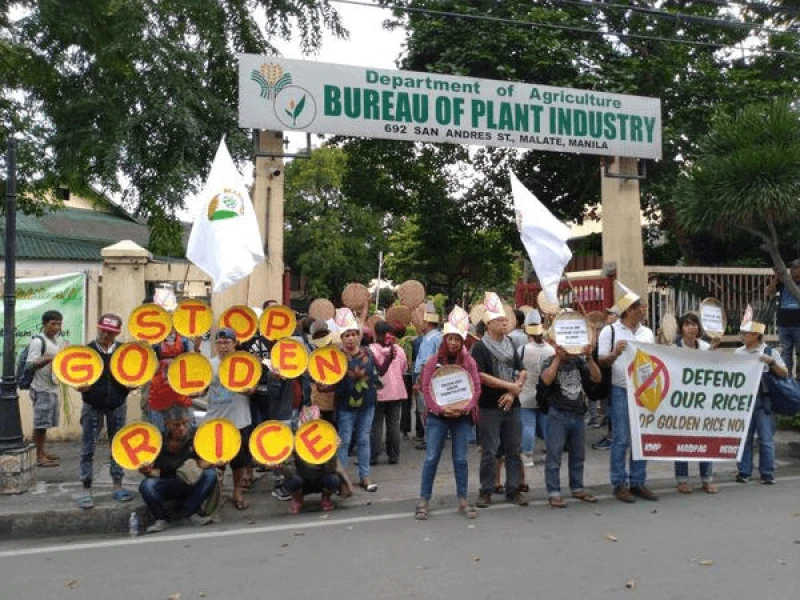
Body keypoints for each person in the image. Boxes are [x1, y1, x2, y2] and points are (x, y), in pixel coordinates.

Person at [415, 305, 480, 520]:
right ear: (445, 339)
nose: (453, 343)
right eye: (449, 338)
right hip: (437, 418)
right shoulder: (433, 361)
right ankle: (424, 499)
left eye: (457, 339)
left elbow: (475, 388)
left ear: (462, 341)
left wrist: (465, 408)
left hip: (462, 418)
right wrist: (441, 409)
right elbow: (426, 388)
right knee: (431, 457)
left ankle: (463, 499)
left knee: (461, 459)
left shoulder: (469, 362)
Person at [598, 283, 658, 503]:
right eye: (640, 306)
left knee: (641, 438)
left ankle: (638, 482)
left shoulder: (647, 333)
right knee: (621, 438)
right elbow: (601, 360)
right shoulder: (610, 330)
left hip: (644, 391)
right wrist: (615, 353)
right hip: (621, 389)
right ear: (629, 310)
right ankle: (619, 483)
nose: (644, 309)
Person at [471, 292, 528, 508]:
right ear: (488, 324)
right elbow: (481, 376)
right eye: (499, 320)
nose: (504, 322)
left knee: (514, 449)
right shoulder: (480, 347)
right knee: (490, 451)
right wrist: (508, 386)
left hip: (513, 404)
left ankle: (513, 489)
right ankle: (486, 490)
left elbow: (522, 371)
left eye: (505, 319)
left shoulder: (511, 343)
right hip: (489, 406)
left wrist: (513, 392)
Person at [76, 313, 134, 510]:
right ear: (98, 328)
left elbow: (134, 373)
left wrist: (131, 385)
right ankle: (86, 489)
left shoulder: (123, 351)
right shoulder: (87, 351)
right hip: (92, 404)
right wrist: (80, 386)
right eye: (104, 332)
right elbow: (76, 375)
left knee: (117, 447)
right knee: (87, 448)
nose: (107, 336)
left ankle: (117, 485)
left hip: (117, 404)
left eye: (112, 333)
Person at [539, 339, 601, 507]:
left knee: (578, 455)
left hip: (578, 412)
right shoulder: (548, 360)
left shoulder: (579, 361)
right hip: (557, 413)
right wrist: (558, 358)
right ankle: (554, 492)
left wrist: (589, 357)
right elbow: (546, 379)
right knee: (554, 455)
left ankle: (577, 487)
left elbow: (596, 377)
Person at [138, 405, 219, 533]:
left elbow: (209, 460)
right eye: (176, 425)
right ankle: (161, 519)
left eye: (184, 424)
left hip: (191, 483)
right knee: (147, 485)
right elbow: (152, 471)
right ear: (167, 424)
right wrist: (146, 470)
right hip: (168, 484)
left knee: (210, 474)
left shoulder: (197, 437)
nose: (181, 428)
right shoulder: (157, 441)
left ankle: (191, 513)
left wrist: (208, 463)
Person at [334, 308, 384, 492]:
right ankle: (341, 478)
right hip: (345, 405)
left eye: (353, 334)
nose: (350, 338)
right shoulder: (336, 358)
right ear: (341, 337)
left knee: (364, 439)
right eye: (346, 335)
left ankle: (365, 475)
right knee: (344, 440)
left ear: (358, 336)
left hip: (367, 403)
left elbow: (379, 372)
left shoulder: (368, 353)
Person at [736, 315, 787, 485]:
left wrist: (771, 363)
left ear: (757, 335)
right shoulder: (739, 353)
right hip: (745, 400)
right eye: (744, 333)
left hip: (764, 400)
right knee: (745, 438)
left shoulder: (770, 352)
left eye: (748, 333)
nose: (744, 336)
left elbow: (785, 373)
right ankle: (744, 471)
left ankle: (767, 472)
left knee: (765, 439)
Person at [206, 328, 253, 510]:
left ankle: (237, 491)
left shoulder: (245, 364)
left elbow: (253, 387)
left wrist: (249, 389)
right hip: (215, 419)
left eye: (227, 343)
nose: (223, 346)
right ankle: (216, 492)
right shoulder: (209, 365)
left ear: (235, 343)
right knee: (216, 459)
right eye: (219, 343)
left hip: (239, 418)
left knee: (239, 461)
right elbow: (202, 389)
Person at [673, 312, 719, 494]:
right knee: (682, 441)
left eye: (694, 324)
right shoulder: (674, 348)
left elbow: (715, 371)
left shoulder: (706, 347)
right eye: (687, 324)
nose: (691, 328)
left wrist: (714, 354)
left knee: (705, 439)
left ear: (699, 328)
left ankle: (707, 479)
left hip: (703, 402)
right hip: (681, 402)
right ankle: (682, 479)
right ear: (681, 328)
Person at [25, 310, 67, 467]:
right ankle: (37, 456)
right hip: (41, 388)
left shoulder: (55, 341)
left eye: (59, 324)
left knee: (46, 424)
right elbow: (30, 365)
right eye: (53, 324)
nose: (56, 327)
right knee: (40, 424)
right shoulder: (38, 341)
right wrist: (49, 358)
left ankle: (41, 450)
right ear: (44, 324)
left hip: (52, 388)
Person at [284, 406, 341, 514]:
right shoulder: (294, 441)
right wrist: (281, 466)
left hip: (321, 478)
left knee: (333, 479)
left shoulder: (326, 438)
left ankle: (326, 498)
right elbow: (289, 473)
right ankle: (297, 499)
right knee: (292, 481)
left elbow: (332, 470)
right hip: (302, 479)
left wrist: (332, 452)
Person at [517, 309, 554, 468]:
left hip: (526, 393)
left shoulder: (522, 350)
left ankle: (527, 455)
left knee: (528, 425)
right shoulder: (551, 350)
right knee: (546, 425)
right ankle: (550, 453)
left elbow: (517, 371)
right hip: (545, 393)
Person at [370, 321, 406, 465]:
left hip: (379, 392)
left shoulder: (372, 350)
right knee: (393, 424)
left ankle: (374, 455)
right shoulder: (399, 350)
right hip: (396, 391)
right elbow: (404, 368)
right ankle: (394, 455)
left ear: (376, 334)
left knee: (376, 424)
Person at [148, 329, 193, 433]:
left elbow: (190, 360)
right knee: (158, 421)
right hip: (159, 384)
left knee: (183, 420)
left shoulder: (184, 340)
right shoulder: (155, 341)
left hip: (180, 383)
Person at [412, 301, 442, 449]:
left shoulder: (429, 339)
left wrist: (419, 381)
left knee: (424, 408)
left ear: (427, 322)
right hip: (436, 376)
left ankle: (430, 438)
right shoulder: (439, 336)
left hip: (426, 377)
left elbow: (425, 362)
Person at [766, 259, 800, 378]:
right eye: (792, 267)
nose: (792, 270)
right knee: (786, 352)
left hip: (798, 324)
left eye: (796, 267)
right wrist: (777, 277)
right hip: (784, 323)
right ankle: (787, 378)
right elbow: (769, 292)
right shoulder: (784, 281)